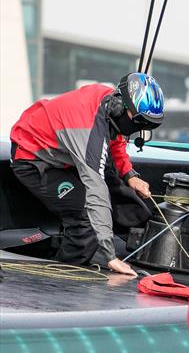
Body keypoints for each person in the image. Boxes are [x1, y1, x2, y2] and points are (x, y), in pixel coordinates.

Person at [9, 73, 165, 276]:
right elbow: (96, 191)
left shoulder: (109, 104)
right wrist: (110, 257)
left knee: (119, 188)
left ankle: (137, 246)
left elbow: (115, 138)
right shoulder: (87, 129)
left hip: (64, 153)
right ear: (120, 105)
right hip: (33, 160)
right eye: (139, 122)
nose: (140, 128)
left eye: (148, 125)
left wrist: (129, 174)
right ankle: (64, 276)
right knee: (86, 217)